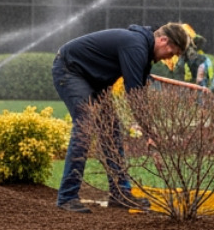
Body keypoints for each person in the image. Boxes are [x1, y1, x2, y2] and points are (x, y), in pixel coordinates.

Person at [53, 22, 190, 212]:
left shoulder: (143, 52)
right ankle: (67, 197)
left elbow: (140, 94)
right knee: (85, 126)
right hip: (71, 71)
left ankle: (120, 194)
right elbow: (133, 94)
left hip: (94, 81)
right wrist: (150, 132)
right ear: (163, 39)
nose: (170, 58)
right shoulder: (135, 45)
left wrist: (150, 131)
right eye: (172, 51)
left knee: (111, 130)